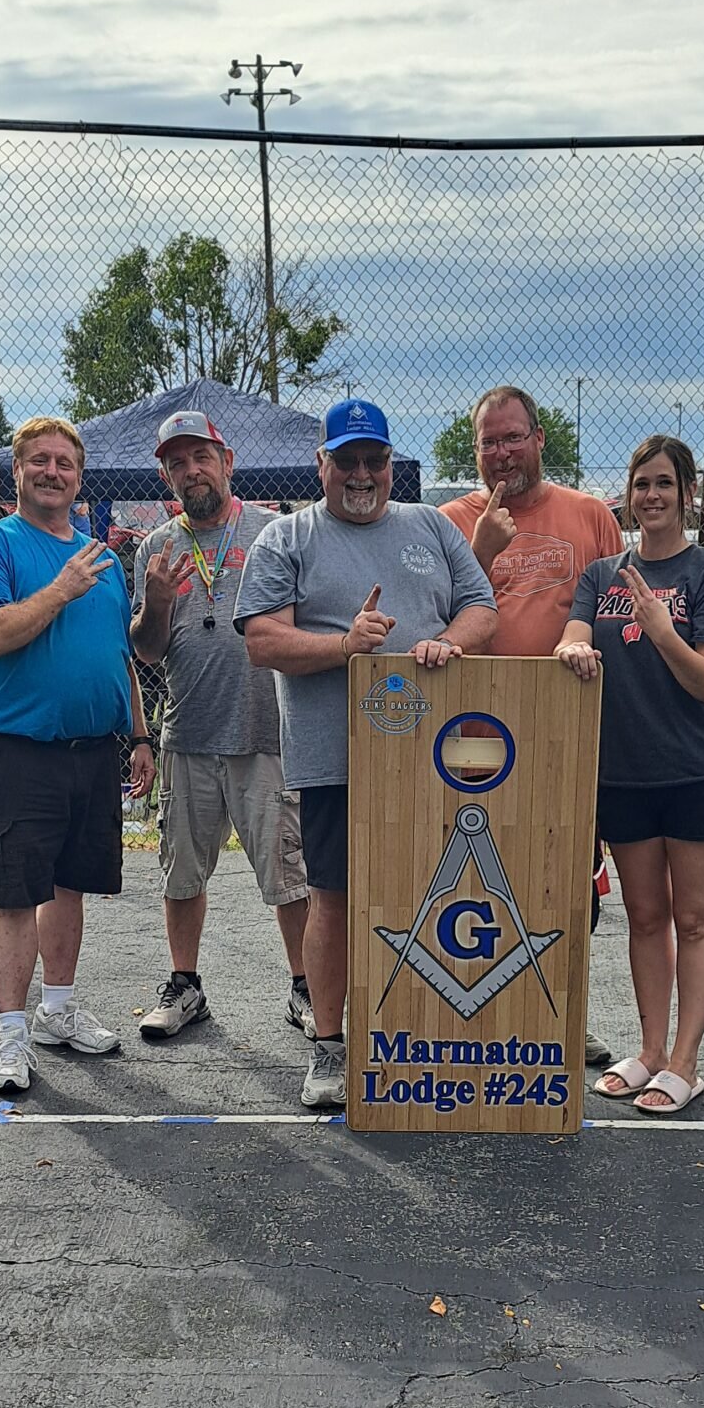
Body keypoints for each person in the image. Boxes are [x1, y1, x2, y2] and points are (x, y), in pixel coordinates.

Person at [233, 399, 498, 1108]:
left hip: (437, 760)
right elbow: (262, 640)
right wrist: (344, 646)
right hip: (336, 760)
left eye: (373, 460)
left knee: (438, 896)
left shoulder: (431, 526)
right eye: (345, 460)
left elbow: (482, 608)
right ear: (321, 464)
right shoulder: (287, 537)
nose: (361, 474)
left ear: (390, 464)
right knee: (333, 897)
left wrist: (449, 642)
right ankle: (329, 1044)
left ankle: (424, 1037)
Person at [0, 415, 155, 1093]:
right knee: (17, 894)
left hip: (94, 751)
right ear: (17, 471)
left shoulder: (103, 560)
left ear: (79, 476)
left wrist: (141, 736)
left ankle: (56, 1012)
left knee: (70, 884)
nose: (52, 472)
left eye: (64, 463)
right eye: (38, 460)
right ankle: (11, 1033)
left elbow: (120, 657)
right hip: (23, 750)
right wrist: (60, 590)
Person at [554, 435, 704, 1116]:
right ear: (629, 495)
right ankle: (652, 1051)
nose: (652, 495)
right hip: (625, 774)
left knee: (693, 918)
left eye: (665, 483)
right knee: (644, 917)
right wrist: (573, 648)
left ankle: (687, 1063)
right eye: (642, 484)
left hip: (698, 771)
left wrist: (663, 631)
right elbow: (574, 633)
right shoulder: (601, 574)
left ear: (688, 494)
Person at [441, 384, 624, 1063]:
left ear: (540, 439)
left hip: (562, 735)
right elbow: (433, 621)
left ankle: (562, 1012)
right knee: (474, 879)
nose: (501, 453)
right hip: (472, 738)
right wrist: (482, 552)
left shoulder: (589, 515)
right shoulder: (449, 521)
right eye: (488, 442)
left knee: (566, 880)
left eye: (513, 437)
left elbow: (616, 617)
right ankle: (481, 1016)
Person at [129, 409, 310, 1041]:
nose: (191, 470)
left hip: (266, 733)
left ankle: (306, 988)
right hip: (188, 735)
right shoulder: (156, 548)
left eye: (201, 456)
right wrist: (156, 603)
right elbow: (147, 651)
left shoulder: (273, 532)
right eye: (177, 462)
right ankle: (185, 986)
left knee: (289, 874)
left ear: (227, 461)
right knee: (180, 873)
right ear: (166, 476)